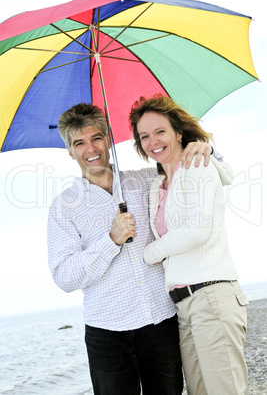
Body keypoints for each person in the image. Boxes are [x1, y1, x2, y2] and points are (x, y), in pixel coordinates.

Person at [47, 102, 224, 395]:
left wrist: (205, 149)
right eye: (79, 143)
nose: (90, 148)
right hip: (107, 333)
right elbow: (64, 276)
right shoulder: (64, 207)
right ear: (69, 150)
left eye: (96, 138)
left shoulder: (145, 180)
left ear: (108, 138)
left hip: (161, 322)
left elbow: (186, 166)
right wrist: (111, 240)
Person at [129, 94, 249, 395]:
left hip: (212, 296)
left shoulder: (197, 164)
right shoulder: (158, 185)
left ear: (179, 133)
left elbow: (197, 230)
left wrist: (150, 253)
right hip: (182, 306)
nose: (153, 141)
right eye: (144, 136)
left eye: (160, 131)